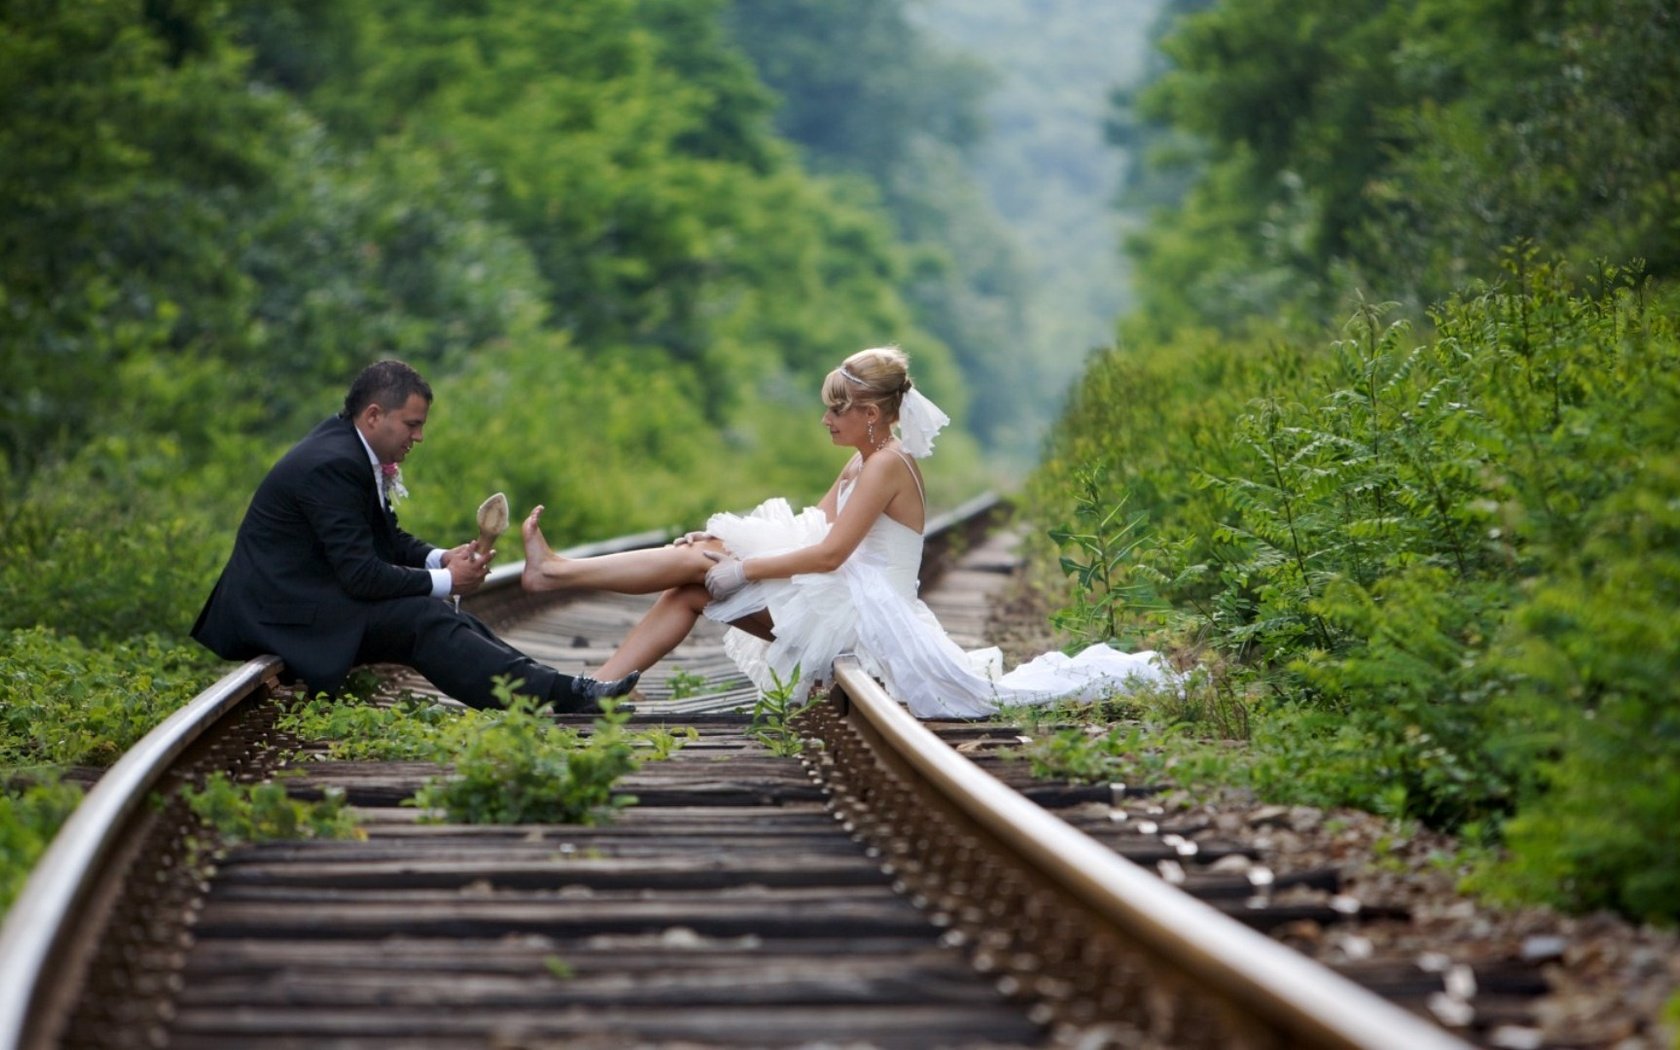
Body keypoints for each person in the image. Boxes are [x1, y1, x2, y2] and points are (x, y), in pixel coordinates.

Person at [518, 346, 1174, 719]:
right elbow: (814, 525)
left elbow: (831, 551)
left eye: (835, 411)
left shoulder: (891, 464)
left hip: (869, 614)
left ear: (866, 413)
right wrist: (729, 548)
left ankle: (561, 576)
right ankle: (600, 684)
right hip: (842, 593)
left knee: (708, 570)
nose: (826, 422)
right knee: (696, 577)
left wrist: (744, 567)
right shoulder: (863, 459)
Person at [191, 359, 639, 712]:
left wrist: (441, 559)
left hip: (305, 597)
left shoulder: (347, 448)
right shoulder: (333, 464)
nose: (419, 437)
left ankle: (560, 689)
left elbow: (386, 538)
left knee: (432, 614)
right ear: (373, 415)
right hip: (281, 612)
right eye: (411, 424)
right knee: (423, 618)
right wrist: (448, 583)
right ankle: (559, 694)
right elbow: (361, 576)